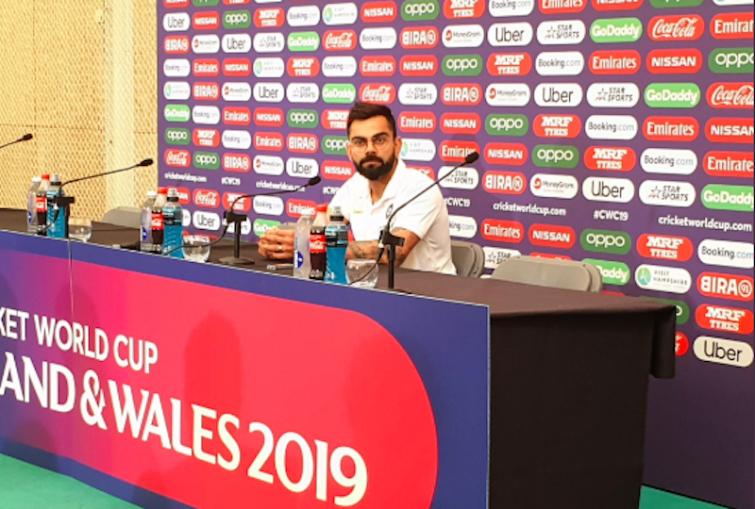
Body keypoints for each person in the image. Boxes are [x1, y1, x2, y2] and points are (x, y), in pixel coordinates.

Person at [258, 102, 456, 275]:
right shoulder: (355, 185)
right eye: (360, 142)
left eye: (379, 140)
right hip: (372, 286)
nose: (370, 149)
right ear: (349, 150)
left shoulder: (420, 187)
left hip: (429, 295)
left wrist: (313, 246)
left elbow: (393, 253)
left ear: (397, 145)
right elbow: (322, 228)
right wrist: (281, 243)